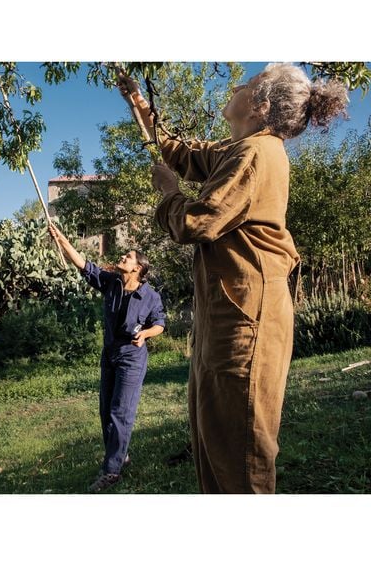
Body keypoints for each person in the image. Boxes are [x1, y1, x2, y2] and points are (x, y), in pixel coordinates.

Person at [117, 63, 349, 493]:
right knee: (214, 436)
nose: (239, 85)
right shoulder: (240, 150)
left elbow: (197, 222)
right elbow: (180, 153)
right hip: (231, 311)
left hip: (247, 318)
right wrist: (138, 103)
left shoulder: (256, 154)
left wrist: (169, 192)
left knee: (240, 451)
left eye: (251, 83)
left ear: (260, 106)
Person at [49, 225, 166, 492]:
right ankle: (120, 455)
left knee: (120, 412)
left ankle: (112, 471)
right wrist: (62, 239)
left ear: (138, 268)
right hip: (110, 354)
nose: (122, 258)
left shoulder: (150, 295)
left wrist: (146, 333)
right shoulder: (112, 282)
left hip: (131, 358)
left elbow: (160, 323)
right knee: (106, 411)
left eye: (128, 257)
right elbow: (84, 266)